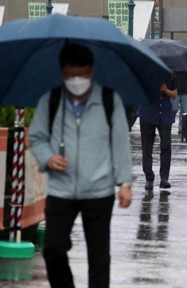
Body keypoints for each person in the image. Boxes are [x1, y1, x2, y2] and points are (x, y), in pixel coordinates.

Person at [28, 44, 134, 288]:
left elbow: (119, 143)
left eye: (82, 74)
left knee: (99, 258)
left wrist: (125, 183)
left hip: (99, 190)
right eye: (71, 75)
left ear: (92, 72)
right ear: (63, 73)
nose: (77, 80)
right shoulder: (51, 100)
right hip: (60, 189)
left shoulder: (109, 100)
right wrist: (47, 158)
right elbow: (37, 137)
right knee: (53, 248)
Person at [138, 76, 178, 190]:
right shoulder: (145, 74)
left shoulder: (170, 74)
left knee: (166, 145)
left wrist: (166, 90)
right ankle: (149, 178)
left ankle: (164, 178)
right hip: (147, 113)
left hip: (164, 114)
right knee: (147, 147)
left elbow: (175, 94)